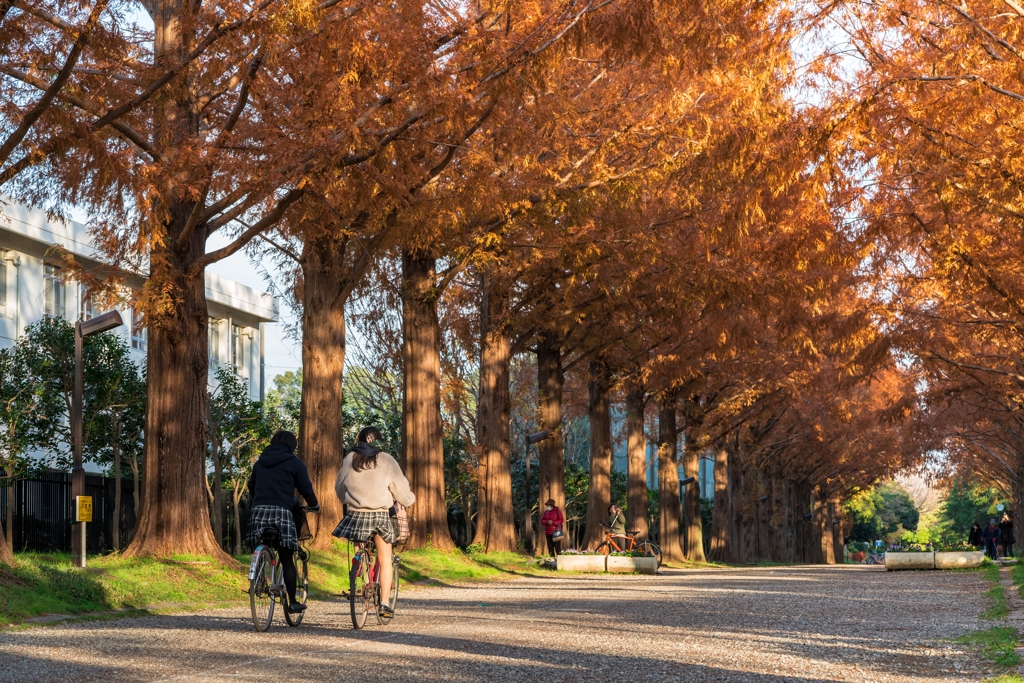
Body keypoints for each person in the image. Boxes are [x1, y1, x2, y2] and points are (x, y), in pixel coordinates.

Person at [333, 426, 415, 618]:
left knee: (359, 548)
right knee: (385, 559)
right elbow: (401, 490)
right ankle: (384, 604)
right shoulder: (386, 459)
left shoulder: (350, 458)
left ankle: (359, 571)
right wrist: (408, 501)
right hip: (379, 515)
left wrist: (348, 499)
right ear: (379, 441)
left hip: (355, 516)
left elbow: (339, 486)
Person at [246, 430, 319, 614]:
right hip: (281, 512)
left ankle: (259, 578)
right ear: (291, 445)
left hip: (258, 511)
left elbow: (251, 486)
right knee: (287, 557)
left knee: (260, 544)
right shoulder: (294, 463)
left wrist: (259, 501)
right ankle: (293, 602)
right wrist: (314, 505)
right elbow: (305, 488)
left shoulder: (260, 463)